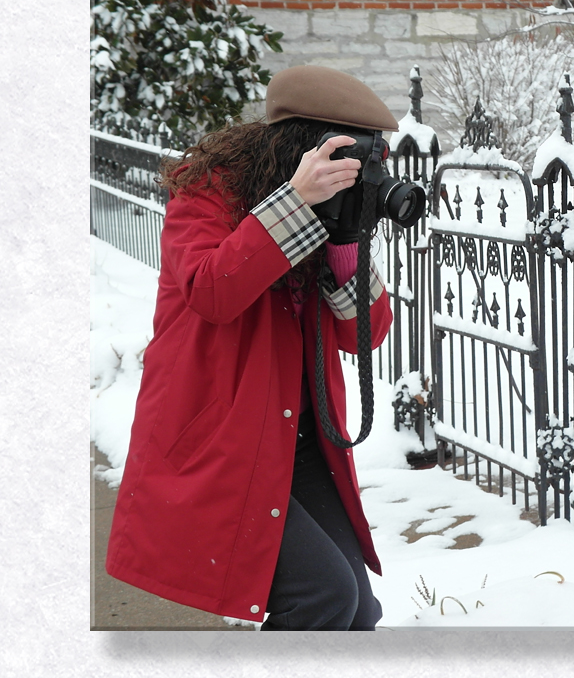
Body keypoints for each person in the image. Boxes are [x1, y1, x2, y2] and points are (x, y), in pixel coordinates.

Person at [105, 65, 396, 630]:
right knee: (321, 597)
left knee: (358, 610)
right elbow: (212, 290)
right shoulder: (207, 192)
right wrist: (294, 203)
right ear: (301, 145)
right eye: (341, 153)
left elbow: (365, 335)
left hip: (303, 439)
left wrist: (343, 241)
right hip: (225, 441)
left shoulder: (325, 214)